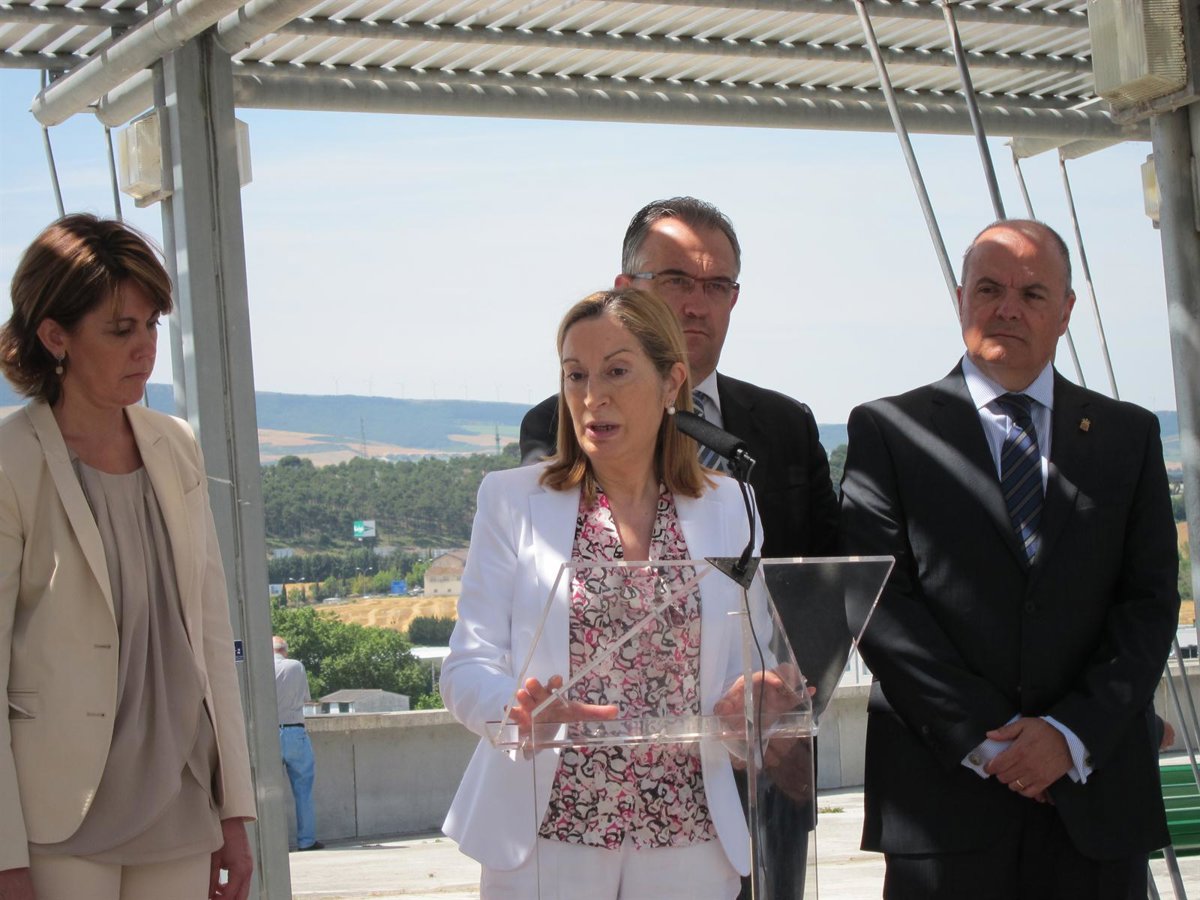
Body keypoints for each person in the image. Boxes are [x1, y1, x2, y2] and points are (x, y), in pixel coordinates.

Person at [839, 219, 1180, 899]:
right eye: (989, 289)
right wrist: (991, 744)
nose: (1007, 309)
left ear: (1066, 311)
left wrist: (1069, 735)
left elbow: (1148, 604)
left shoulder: (1129, 435)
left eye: (1032, 293)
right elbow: (877, 603)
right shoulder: (888, 431)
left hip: (1095, 800)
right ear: (961, 298)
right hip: (944, 804)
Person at [519, 197, 839, 897]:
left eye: (716, 285)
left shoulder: (786, 425)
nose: (697, 305)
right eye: (675, 281)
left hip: (767, 777)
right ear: (625, 290)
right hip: (617, 795)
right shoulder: (563, 422)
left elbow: (824, 588)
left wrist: (789, 713)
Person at [442, 288, 783, 899]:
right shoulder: (511, 501)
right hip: (548, 839)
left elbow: (745, 663)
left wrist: (753, 701)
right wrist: (515, 713)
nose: (591, 396)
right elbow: (467, 665)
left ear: (671, 382)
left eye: (617, 372)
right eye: (576, 375)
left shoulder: (733, 505)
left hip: (689, 838)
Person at [0, 214, 257, 900]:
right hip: (57, 817)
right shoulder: (9, 461)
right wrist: (2, 853)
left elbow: (210, 637)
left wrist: (234, 810)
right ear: (54, 336)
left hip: (180, 802)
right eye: (120, 330)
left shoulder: (175, 446)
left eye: (151, 325)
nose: (145, 347)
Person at [273, 635, 323, 851]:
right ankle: (306, 840)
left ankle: (273, 843)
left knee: (268, 791)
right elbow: (305, 698)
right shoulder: (295, 666)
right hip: (295, 731)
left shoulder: (260, 667)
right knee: (303, 791)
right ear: (284, 650)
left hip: (267, 735)